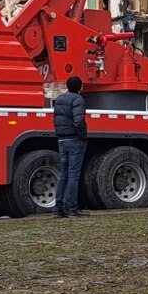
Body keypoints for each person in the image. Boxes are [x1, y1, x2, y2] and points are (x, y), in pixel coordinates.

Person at [52, 75, 89, 218]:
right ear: (80, 87)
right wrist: (83, 135)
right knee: (74, 175)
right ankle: (72, 209)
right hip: (74, 139)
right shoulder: (78, 100)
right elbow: (79, 121)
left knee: (64, 174)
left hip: (62, 139)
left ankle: (58, 208)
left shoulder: (60, 99)